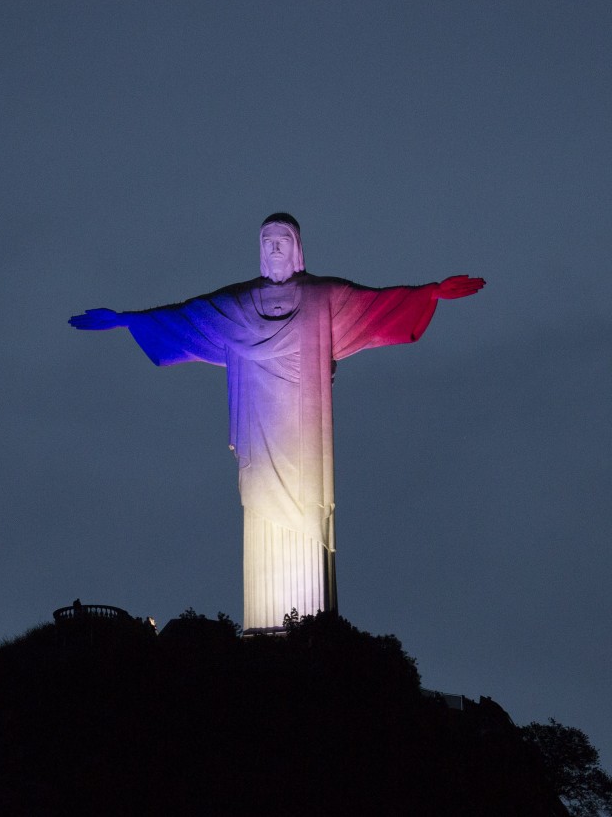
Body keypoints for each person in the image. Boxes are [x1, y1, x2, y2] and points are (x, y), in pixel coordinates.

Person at [69, 213, 484, 633]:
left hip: (304, 438)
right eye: (266, 241)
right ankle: (268, 631)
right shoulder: (239, 303)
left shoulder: (322, 296)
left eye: (282, 240)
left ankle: (309, 631)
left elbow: (377, 305)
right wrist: (128, 319)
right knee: (261, 513)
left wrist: (430, 293)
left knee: (306, 516)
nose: (274, 248)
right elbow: (188, 317)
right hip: (258, 432)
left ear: (297, 248)